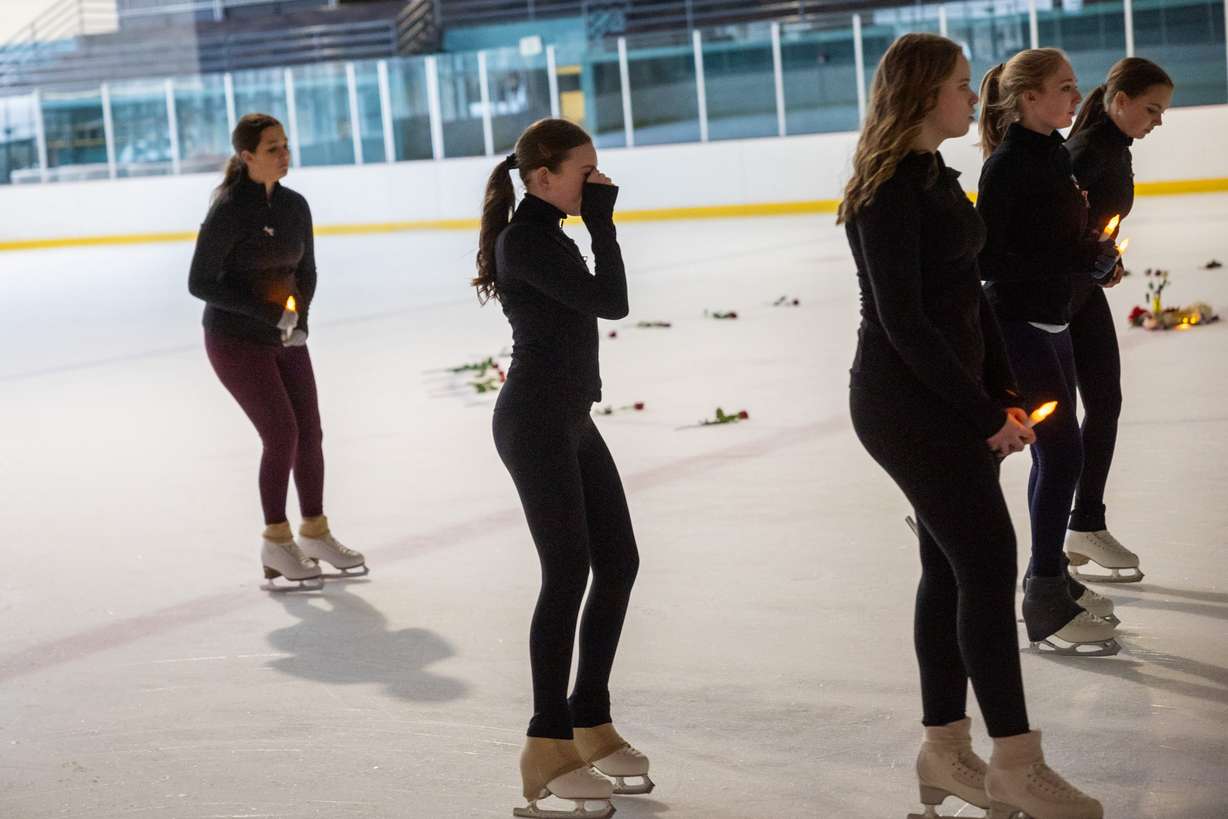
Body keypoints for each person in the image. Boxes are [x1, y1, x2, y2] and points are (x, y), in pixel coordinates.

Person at [842, 33, 1102, 818]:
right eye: (959, 84)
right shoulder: (887, 190)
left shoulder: (934, 175)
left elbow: (970, 298)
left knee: (952, 566)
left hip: (949, 392)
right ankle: (1016, 763)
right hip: (903, 402)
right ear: (924, 95)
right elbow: (906, 324)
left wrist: (1005, 391)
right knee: (989, 561)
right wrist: (982, 410)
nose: (970, 95)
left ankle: (945, 750)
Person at [474, 118, 650, 819]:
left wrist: (595, 225)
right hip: (536, 424)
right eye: (585, 171)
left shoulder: (550, 234)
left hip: (570, 420)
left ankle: (590, 719)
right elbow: (614, 302)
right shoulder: (528, 240)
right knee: (568, 571)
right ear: (543, 177)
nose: (597, 182)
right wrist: (606, 227)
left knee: (620, 561)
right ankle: (546, 744)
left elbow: (602, 304)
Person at [977, 49, 1120, 655]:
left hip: (1054, 320)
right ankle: (1041, 589)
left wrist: (1094, 253)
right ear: (1029, 97)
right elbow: (989, 261)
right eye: (1064, 87)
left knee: (1057, 456)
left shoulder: (1054, 155)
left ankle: (1050, 575)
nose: (1074, 96)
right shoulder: (1007, 166)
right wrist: (1071, 259)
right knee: (1062, 455)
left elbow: (1058, 236)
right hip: (1021, 327)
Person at [188, 112, 365, 589]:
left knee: (310, 432)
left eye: (286, 144)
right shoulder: (228, 210)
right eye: (273, 148)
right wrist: (270, 317)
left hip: (286, 337)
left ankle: (315, 531)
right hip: (234, 340)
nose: (285, 155)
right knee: (281, 434)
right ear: (247, 157)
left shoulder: (294, 206)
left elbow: (306, 270)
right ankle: (276, 540)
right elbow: (199, 282)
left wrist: (299, 318)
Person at [1062, 58, 1174, 585]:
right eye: (1151, 109)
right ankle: (951, 516)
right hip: (1052, 299)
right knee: (1034, 419)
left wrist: (1108, 259)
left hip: (1081, 292)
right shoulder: (1086, 151)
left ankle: (1085, 521)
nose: (1157, 121)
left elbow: (1090, 230)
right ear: (1120, 100)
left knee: (1105, 401)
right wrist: (1091, 257)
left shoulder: (1112, 147)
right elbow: (1053, 228)